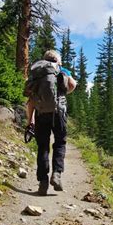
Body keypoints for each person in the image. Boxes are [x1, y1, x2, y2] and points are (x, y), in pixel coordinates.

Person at [26, 50, 77, 195]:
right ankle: (57, 174)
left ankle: (43, 181)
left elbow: (30, 101)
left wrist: (30, 120)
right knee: (60, 142)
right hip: (59, 111)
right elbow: (73, 85)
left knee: (43, 146)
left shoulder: (37, 72)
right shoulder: (61, 69)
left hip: (41, 112)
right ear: (57, 60)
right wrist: (62, 93)